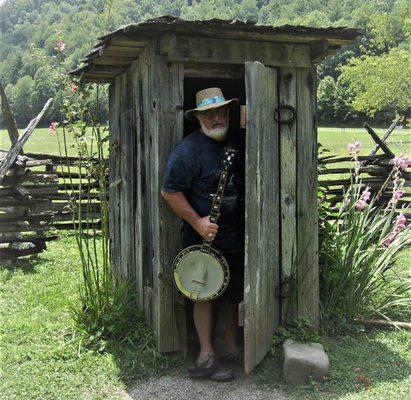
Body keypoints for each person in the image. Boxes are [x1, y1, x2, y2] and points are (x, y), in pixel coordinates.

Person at [161, 87, 245, 381]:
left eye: (222, 111)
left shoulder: (235, 142)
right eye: (210, 113)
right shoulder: (187, 150)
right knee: (203, 295)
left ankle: (230, 346)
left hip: (235, 235)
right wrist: (197, 222)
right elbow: (169, 191)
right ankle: (206, 354)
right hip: (203, 239)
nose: (218, 117)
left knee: (233, 293)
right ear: (199, 118)